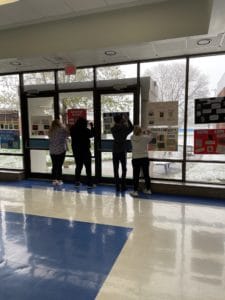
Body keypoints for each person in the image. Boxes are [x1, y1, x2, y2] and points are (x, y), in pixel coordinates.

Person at [111, 113, 133, 192]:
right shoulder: (124, 128)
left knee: (115, 169)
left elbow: (116, 126)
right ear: (121, 120)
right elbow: (132, 128)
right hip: (122, 151)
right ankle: (123, 186)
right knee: (124, 169)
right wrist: (127, 120)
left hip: (115, 150)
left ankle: (117, 186)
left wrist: (122, 122)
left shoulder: (112, 129)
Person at [70, 117, 95, 188]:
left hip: (76, 150)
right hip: (85, 150)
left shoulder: (73, 129)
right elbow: (92, 135)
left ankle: (77, 182)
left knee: (78, 166)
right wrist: (92, 126)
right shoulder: (85, 130)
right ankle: (89, 183)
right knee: (88, 167)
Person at [130, 125, 152, 197]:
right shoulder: (145, 138)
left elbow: (136, 134)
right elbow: (150, 137)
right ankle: (148, 190)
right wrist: (148, 132)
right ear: (141, 131)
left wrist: (141, 132)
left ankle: (135, 191)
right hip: (144, 158)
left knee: (135, 175)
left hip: (135, 158)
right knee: (146, 175)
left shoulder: (132, 138)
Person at [49, 118, 69, 186]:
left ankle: (54, 180)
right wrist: (65, 126)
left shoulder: (50, 130)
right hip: (61, 150)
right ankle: (60, 180)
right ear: (59, 123)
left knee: (54, 165)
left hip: (52, 151)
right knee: (59, 165)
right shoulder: (62, 129)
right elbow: (67, 134)